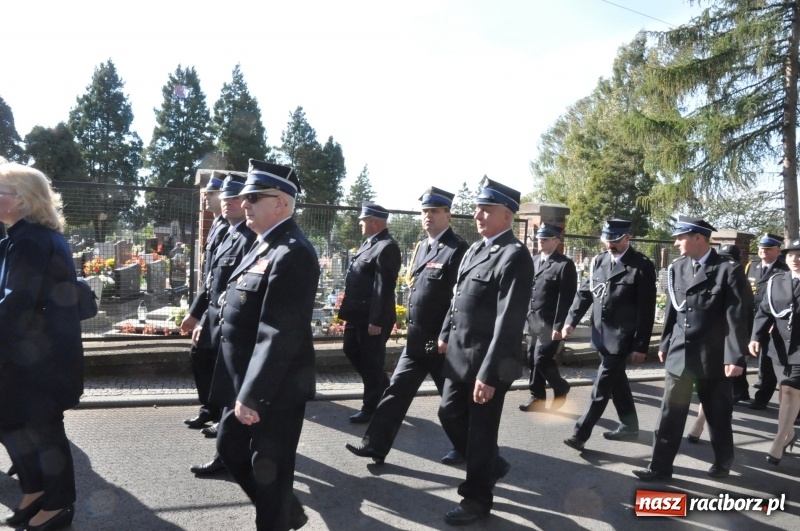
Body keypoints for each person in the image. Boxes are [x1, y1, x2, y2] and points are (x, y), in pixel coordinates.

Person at [209, 159, 317, 530]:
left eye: (255, 196)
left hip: (275, 386)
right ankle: (287, 513)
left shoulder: (293, 252)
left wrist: (253, 395)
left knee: (269, 470)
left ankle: (276, 519)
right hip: (244, 379)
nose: (245, 203)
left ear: (282, 203)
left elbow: (279, 332)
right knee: (229, 448)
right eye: (245, 196)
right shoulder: (262, 244)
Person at [345, 187, 468, 465]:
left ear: (448, 215)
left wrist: (446, 335)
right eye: (425, 211)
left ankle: (471, 450)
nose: (428, 216)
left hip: (439, 342)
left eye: (435, 211)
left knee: (451, 405)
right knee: (395, 394)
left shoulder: (457, 249)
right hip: (418, 340)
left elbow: (458, 298)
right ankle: (374, 446)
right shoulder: (422, 246)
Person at [436, 179, 533, 526]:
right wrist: (446, 333)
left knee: (479, 434)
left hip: (488, 362)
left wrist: (489, 374)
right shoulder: (475, 250)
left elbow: (509, 322)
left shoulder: (514, 256)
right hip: (459, 355)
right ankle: (490, 463)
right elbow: (457, 299)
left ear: (506, 215)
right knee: (447, 413)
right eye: (478, 208)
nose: (478, 215)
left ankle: (476, 499)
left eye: (486, 209)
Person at [0, 161, 83, 530]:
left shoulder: (32, 240)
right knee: (11, 424)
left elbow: (15, 303)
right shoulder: (21, 237)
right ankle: (35, 488)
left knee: (46, 432)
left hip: (38, 362)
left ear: (20, 200)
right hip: (28, 358)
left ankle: (61, 504)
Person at [634, 216, 748, 481]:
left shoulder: (727, 270)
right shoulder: (678, 267)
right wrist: (664, 343)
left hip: (713, 356)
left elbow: (737, 317)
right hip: (680, 354)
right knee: (669, 414)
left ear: (698, 238)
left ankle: (723, 461)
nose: (676, 242)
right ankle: (659, 467)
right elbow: (674, 311)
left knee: (717, 414)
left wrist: (735, 357)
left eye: (681, 237)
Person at [183, 174, 257, 475]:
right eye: (223, 198)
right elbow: (212, 279)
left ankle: (230, 452)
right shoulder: (229, 232)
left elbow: (235, 289)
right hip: (216, 316)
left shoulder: (249, 238)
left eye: (233, 198)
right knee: (212, 371)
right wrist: (198, 314)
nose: (227, 202)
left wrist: (214, 321)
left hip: (230, 324)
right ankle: (228, 442)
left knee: (231, 388)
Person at [561, 219, 656, 450]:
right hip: (601, 335)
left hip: (623, 338)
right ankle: (630, 426)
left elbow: (647, 309)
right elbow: (584, 293)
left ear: (627, 238)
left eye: (615, 241)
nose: (610, 245)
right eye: (607, 240)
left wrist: (641, 345)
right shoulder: (599, 261)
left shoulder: (641, 265)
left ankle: (580, 434)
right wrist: (570, 321)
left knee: (602, 386)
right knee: (617, 382)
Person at [338, 201, 401, 424]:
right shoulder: (370, 244)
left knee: (372, 362)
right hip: (356, 314)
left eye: (363, 221)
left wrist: (377, 320)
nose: (360, 225)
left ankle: (371, 407)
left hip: (372, 317)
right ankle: (384, 389)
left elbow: (383, 288)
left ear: (375, 222)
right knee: (351, 350)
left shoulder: (387, 247)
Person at [686, 244, 754, 443]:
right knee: (711, 391)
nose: (727, 262)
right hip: (711, 344)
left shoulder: (737, 278)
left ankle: (704, 428)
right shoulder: (712, 274)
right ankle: (699, 425)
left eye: (731, 259)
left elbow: (744, 316)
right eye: (724, 258)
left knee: (719, 393)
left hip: (731, 344)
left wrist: (742, 349)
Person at [182, 170, 229, 432]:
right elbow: (210, 276)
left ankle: (221, 414)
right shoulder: (219, 226)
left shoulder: (232, 228)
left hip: (219, 309)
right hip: (210, 306)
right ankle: (211, 409)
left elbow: (219, 280)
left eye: (210, 193)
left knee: (210, 359)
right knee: (202, 357)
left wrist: (199, 314)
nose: (206, 199)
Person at [750, 238, 800, 465]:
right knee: (784, 393)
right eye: (791, 255)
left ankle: (778, 442)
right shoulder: (777, 280)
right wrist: (756, 337)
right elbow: (765, 311)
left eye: (799, 255)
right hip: (779, 346)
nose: (795, 259)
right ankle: (788, 433)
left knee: (790, 390)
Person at [519, 223, 576, 412]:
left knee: (541, 359)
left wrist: (559, 326)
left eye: (545, 238)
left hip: (550, 322)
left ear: (556, 241)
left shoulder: (564, 265)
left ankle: (560, 386)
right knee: (530, 359)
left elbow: (566, 299)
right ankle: (537, 397)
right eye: (539, 238)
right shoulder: (533, 260)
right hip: (532, 321)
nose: (540, 241)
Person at [746, 234, 789, 410]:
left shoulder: (784, 269)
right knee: (753, 357)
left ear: (778, 251)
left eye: (768, 248)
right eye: (762, 248)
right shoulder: (752, 266)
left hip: (773, 322)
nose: (763, 251)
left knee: (768, 362)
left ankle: (763, 398)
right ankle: (745, 393)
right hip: (755, 319)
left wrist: (776, 320)